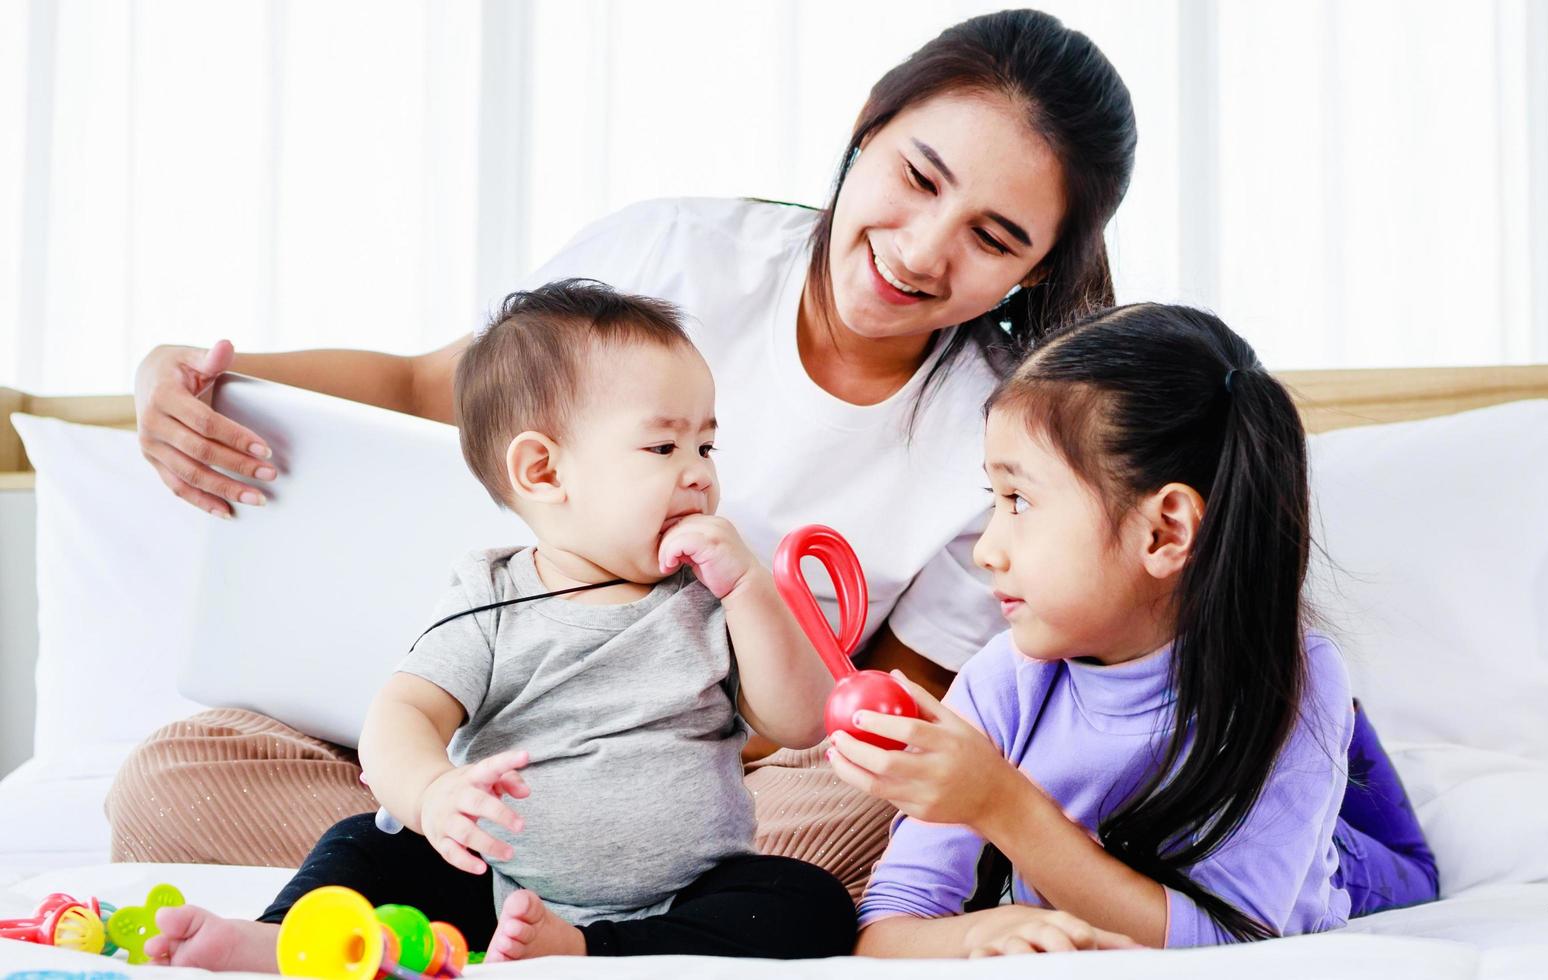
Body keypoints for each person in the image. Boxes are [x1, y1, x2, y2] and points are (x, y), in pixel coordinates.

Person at [108, 8, 1140, 897]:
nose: (921, 249)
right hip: (490, 735)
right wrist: (180, 373)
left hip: (704, 784)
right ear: (868, 128)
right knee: (170, 782)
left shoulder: (1000, 434)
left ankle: (472, 873)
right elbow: (433, 388)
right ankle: (565, 879)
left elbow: (878, 720)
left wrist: (648, 759)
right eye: (917, 176)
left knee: (860, 809)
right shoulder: (676, 254)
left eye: (994, 236)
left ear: (1036, 271)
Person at [146, 281, 854, 970]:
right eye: (664, 449)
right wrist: (430, 794)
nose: (699, 474)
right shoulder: (490, 597)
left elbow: (798, 723)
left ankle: (585, 953)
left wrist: (750, 590)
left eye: (706, 447)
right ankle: (284, 939)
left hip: (685, 891)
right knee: (365, 843)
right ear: (543, 470)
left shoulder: (708, 594)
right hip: (497, 884)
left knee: (809, 901)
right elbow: (401, 714)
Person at [829, 304, 1440, 957]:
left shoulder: (1296, 677)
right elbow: (885, 932)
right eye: (993, 499)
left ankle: (1345, 743)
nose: (987, 550)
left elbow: (1237, 938)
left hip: (1334, 852)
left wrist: (1001, 805)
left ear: (1164, 531)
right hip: (1188, 792)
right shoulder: (1002, 684)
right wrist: (977, 930)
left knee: (1404, 870)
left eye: (1020, 501)